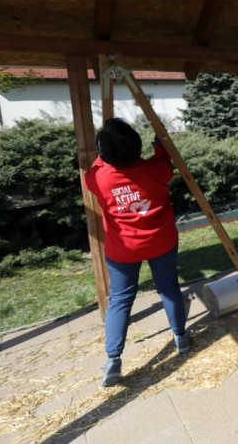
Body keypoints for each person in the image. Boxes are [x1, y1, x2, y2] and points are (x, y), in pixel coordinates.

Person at [84, 118, 190, 388]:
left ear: (104, 153)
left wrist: (103, 152)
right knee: (168, 287)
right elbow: (165, 161)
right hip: (160, 240)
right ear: (136, 145)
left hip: (124, 248)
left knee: (120, 299)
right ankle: (181, 337)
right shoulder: (156, 170)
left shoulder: (99, 177)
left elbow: (95, 166)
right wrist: (159, 144)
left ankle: (113, 359)